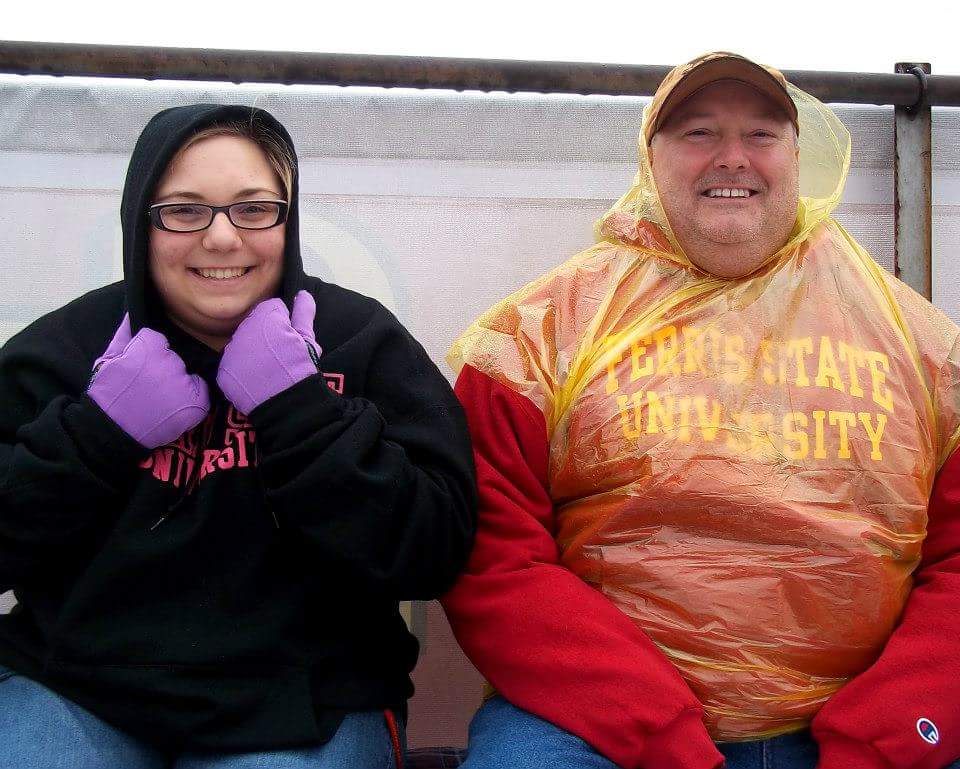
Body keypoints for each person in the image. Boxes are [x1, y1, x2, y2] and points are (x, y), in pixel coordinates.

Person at [442, 52, 960, 769]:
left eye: (760, 134)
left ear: (797, 155)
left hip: (864, 720)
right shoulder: (537, 333)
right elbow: (492, 557)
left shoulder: (919, 342)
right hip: (601, 721)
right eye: (698, 133)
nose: (732, 158)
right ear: (648, 159)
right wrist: (654, 728)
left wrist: (883, 734)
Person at [0, 103, 476, 768]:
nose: (222, 237)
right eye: (185, 209)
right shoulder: (64, 350)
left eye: (253, 208)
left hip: (307, 705)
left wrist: (299, 408)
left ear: (290, 218)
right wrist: (97, 432)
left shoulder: (361, 343)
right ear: (142, 222)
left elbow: (433, 551)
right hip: (78, 692)